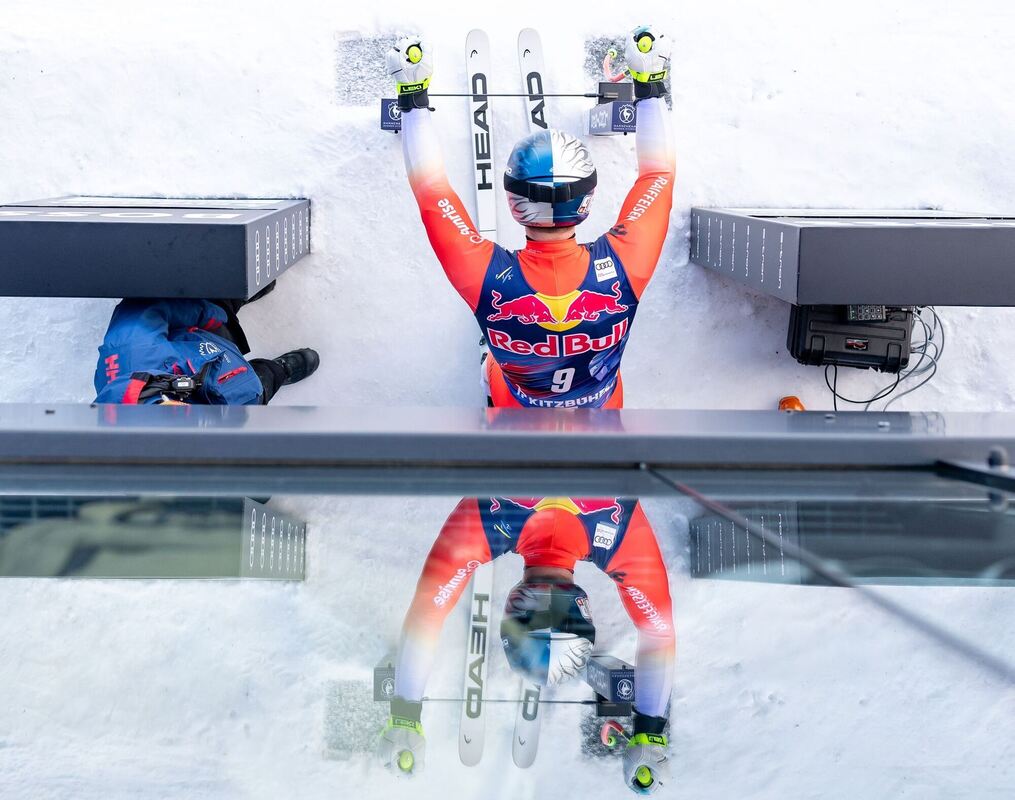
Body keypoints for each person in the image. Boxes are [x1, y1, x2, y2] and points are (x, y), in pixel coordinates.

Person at [388, 25, 675, 409]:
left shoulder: (483, 275)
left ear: (513, 203)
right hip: (604, 413)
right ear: (587, 200)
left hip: (514, 409)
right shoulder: (626, 262)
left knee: (493, 359)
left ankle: (490, 358)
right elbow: (659, 175)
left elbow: (430, 189)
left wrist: (411, 96)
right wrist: (650, 84)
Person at [378, 497, 675, 794]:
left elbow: (658, 632)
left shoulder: (620, 534)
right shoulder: (481, 523)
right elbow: (426, 615)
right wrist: (404, 716)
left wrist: (650, 735)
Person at [93, 283, 319, 405]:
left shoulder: (133, 353)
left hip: (205, 339)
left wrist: (210, 314)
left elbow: (143, 312)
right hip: (241, 395)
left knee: (218, 305)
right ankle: (277, 371)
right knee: (264, 383)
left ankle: (231, 297)